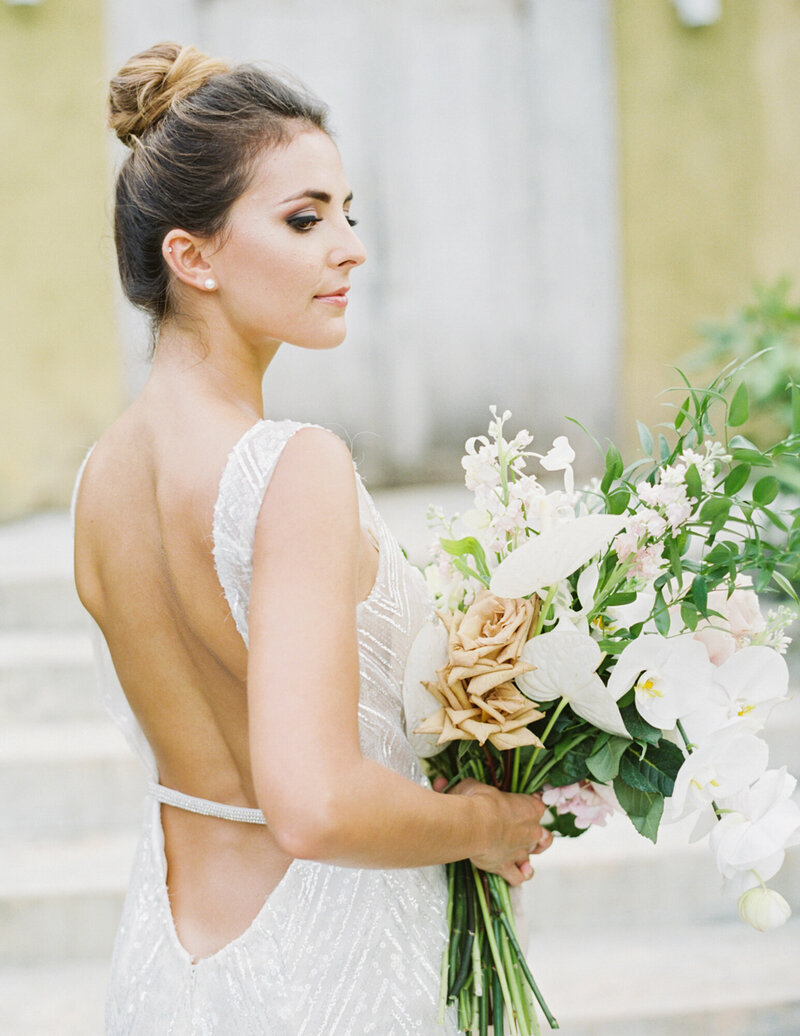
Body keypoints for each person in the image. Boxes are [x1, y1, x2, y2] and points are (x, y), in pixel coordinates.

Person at [72, 42, 552, 1034]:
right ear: (190, 255)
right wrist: (488, 821)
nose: (349, 247)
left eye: (346, 213)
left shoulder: (99, 479)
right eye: (304, 218)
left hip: (166, 972)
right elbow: (314, 804)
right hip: (331, 974)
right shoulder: (292, 468)